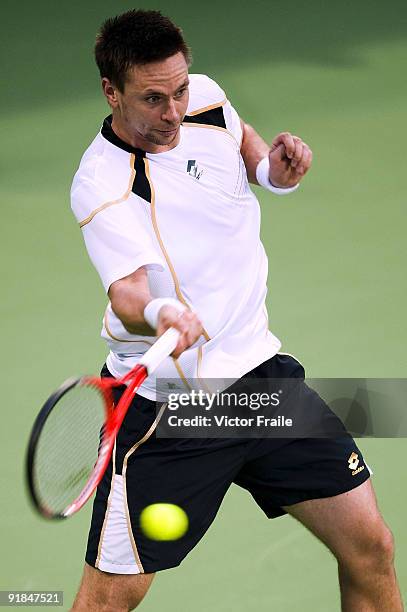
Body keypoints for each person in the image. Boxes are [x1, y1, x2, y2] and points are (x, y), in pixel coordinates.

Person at [70, 9, 402, 611]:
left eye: (179, 90)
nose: (173, 112)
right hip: (173, 409)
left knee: (371, 548)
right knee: (106, 602)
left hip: (261, 380)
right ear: (111, 92)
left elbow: (246, 154)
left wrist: (275, 172)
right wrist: (166, 312)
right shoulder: (102, 182)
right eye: (152, 99)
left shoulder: (206, 98)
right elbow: (126, 292)